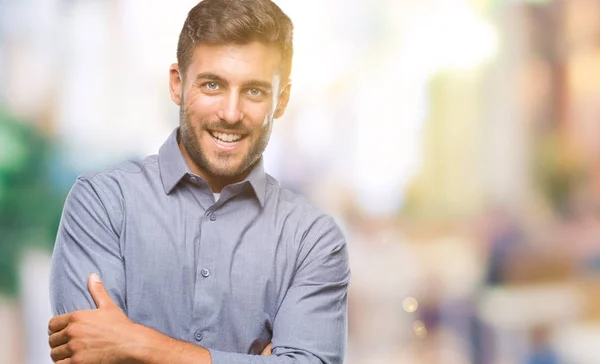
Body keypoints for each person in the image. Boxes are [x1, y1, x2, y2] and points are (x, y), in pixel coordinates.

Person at [47, 0, 350, 363]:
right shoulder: (103, 203)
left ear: (281, 100)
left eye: (254, 91)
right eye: (212, 85)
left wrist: (135, 344)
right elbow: (85, 354)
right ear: (177, 84)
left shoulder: (312, 240)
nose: (231, 113)